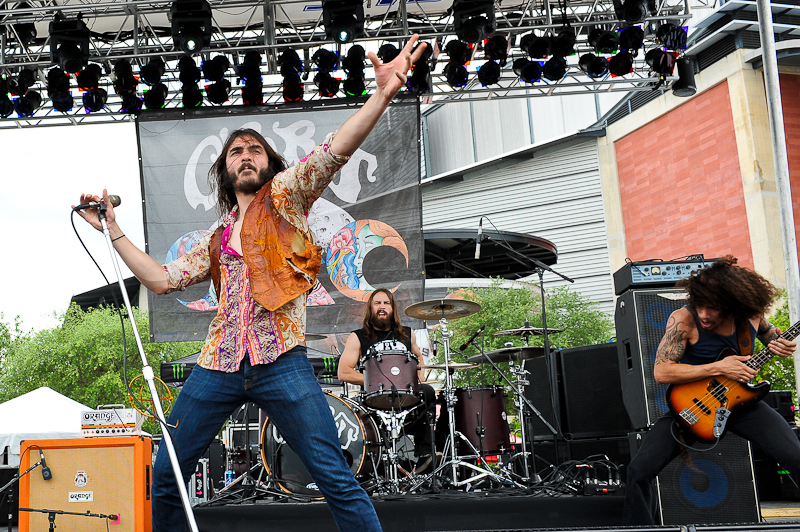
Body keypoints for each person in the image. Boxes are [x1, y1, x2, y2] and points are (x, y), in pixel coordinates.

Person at [74, 36, 428, 532]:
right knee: (166, 475)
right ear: (224, 170)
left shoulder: (286, 199)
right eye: (235, 151)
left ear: (270, 165)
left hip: (281, 361)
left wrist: (382, 95)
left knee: (335, 476)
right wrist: (111, 227)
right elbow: (160, 279)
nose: (245, 155)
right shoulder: (217, 239)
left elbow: (335, 150)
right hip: (217, 363)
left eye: (254, 149)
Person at [622, 255, 799, 525]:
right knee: (639, 470)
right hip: (692, 406)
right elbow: (662, 372)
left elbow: (769, 335)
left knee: (795, 456)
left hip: (743, 404)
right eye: (700, 305)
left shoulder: (751, 316)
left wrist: (780, 344)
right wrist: (719, 368)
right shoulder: (684, 319)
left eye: (713, 309)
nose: (704, 314)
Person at [339, 288, 437, 473]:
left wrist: (420, 374)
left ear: (393, 309)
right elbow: (344, 372)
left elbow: (418, 358)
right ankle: (372, 467)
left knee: (428, 392)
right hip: (373, 401)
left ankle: (425, 456)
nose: (382, 307)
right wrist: (373, 382)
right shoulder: (358, 337)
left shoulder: (408, 334)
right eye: (377, 303)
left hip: (406, 400)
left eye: (386, 303)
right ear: (370, 308)